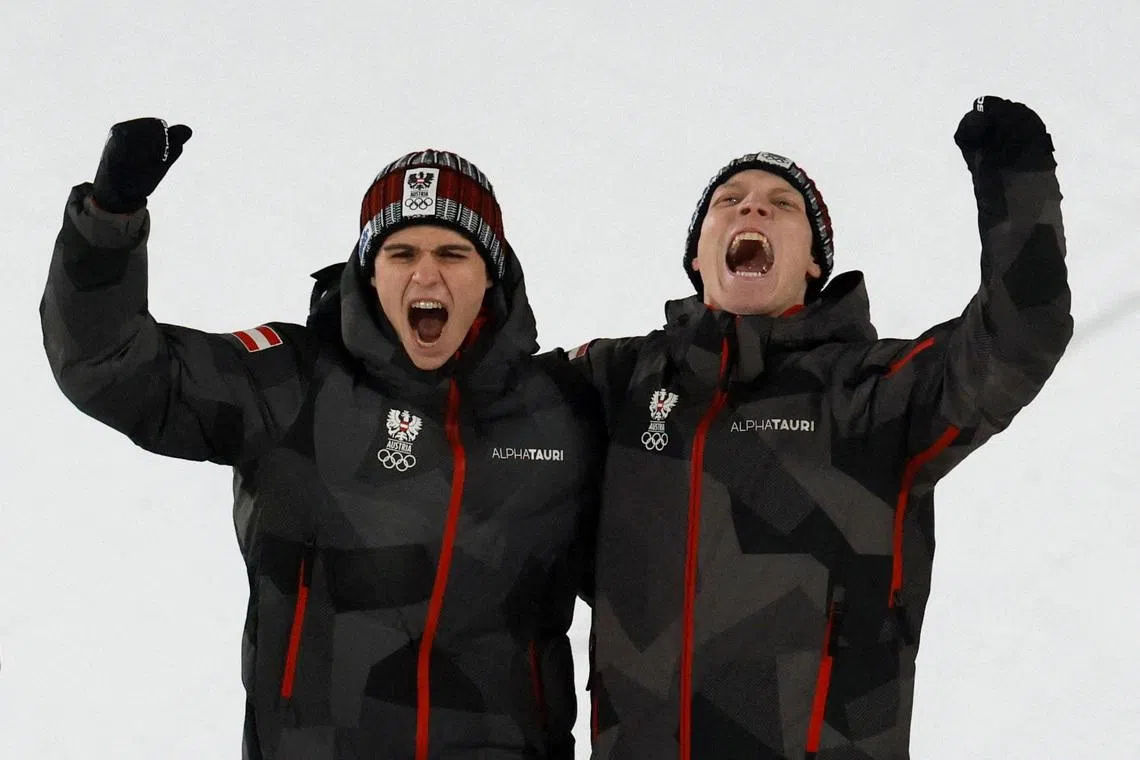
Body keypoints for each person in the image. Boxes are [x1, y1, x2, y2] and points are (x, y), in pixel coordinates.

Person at [41, 119, 604, 760]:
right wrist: (106, 223)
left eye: (452, 254)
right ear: (369, 274)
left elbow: (664, 561)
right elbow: (112, 369)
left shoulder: (560, 412)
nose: (426, 276)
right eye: (401, 254)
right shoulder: (290, 381)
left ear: (491, 274)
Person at [572, 97, 1072, 758]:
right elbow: (474, 411)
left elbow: (1014, 343)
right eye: (729, 200)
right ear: (697, 257)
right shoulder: (619, 383)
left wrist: (1016, 182)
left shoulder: (872, 393)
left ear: (813, 263)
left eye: (780, 206)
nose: (751, 208)